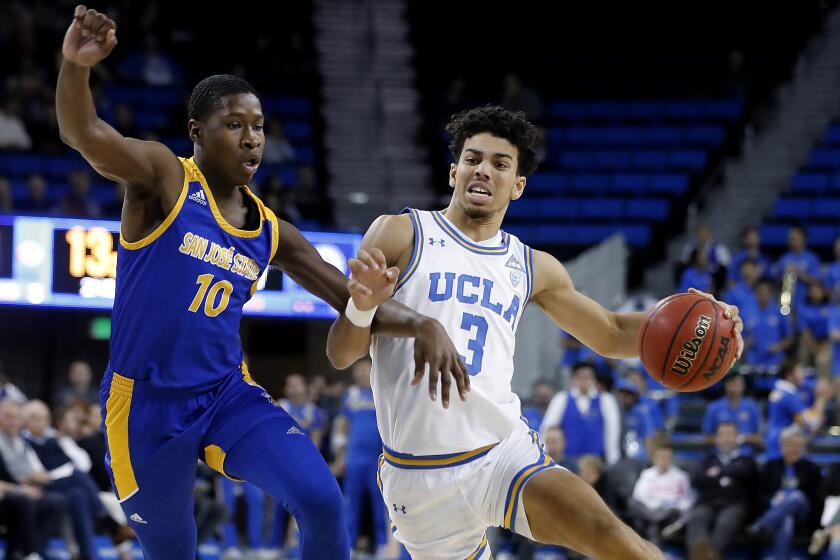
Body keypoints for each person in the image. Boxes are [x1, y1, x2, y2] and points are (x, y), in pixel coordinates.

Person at [57, 8, 466, 559]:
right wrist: (75, 67)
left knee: (322, 501)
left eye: (259, 126)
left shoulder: (271, 231)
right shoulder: (164, 179)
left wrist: (422, 324)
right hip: (145, 407)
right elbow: (82, 132)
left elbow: (351, 300)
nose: (252, 139)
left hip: (227, 395)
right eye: (234, 125)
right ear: (197, 133)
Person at [325, 105, 744, 559]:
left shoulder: (531, 266)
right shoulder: (401, 233)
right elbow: (341, 354)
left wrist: (701, 329)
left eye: (500, 164)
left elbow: (609, 331)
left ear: (518, 185)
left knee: (616, 540)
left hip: (502, 454)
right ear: (453, 172)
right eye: (473, 158)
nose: (483, 170)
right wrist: (363, 307)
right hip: (419, 479)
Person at [335, 357, 388, 556]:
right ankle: (349, 545)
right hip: (353, 457)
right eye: (358, 371)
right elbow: (343, 426)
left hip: (377, 457)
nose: (361, 374)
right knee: (351, 503)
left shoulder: (380, 392)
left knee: (379, 502)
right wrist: (340, 457)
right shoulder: (350, 395)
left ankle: (383, 544)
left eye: (365, 370)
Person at [747, 426, 822, 560]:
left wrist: (789, 500)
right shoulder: (770, 466)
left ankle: (762, 525)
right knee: (786, 521)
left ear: (803, 448)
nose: (794, 449)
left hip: (803, 513)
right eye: (790, 445)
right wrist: (773, 500)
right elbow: (759, 495)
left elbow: (816, 500)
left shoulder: (812, 469)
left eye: (797, 445)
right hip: (777, 512)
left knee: (797, 496)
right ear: (781, 447)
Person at [684, 422, 756, 559]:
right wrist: (729, 476)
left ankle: (709, 557)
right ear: (716, 438)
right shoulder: (707, 459)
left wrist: (717, 472)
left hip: (734, 504)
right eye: (723, 435)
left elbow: (746, 474)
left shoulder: (747, 460)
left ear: (738, 437)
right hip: (707, 502)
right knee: (697, 517)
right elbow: (697, 479)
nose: (726, 439)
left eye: (730, 435)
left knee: (726, 521)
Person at [540, 363, 622, 466]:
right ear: (573, 379)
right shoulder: (562, 399)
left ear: (594, 380)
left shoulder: (606, 400)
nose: (584, 381)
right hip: (568, 461)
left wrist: (612, 459)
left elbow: (611, 431)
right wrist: (544, 456)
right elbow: (547, 428)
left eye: (588, 377)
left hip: (596, 462)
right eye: (581, 377)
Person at [627, 445, 693, 548]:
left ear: (672, 459)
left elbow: (687, 499)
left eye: (667, 457)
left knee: (653, 527)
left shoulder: (681, 476)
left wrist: (678, 507)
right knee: (632, 502)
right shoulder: (647, 474)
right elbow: (638, 495)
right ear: (654, 459)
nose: (664, 460)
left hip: (671, 512)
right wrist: (654, 506)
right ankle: (658, 519)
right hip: (651, 510)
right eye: (660, 457)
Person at [765, 360, 831, 460]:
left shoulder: (779, 390)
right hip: (784, 446)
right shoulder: (789, 396)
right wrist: (821, 398)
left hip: (775, 441)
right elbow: (811, 423)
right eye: (799, 371)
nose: (803, 375)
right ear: (790, 374)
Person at [700, 372, 762, 454]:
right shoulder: (713, 407)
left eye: (737, 385)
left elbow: (759, 438)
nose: (734, 389)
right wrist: (724, 440)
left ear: (743, 386)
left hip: (745, 456)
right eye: (731, 385)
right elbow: (707, 438)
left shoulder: (752, 407)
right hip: (719, 455)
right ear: (725, 386)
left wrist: (741, 438)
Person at [743, 279, 794, 371]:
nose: (763, 296)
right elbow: (740, 337)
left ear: (770, 294)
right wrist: (746, 342)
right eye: (760, 293)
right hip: (752, 360)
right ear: (755, 294)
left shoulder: (779, 312)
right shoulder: (746, 313)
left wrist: (778, 346)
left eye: (765, 293)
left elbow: (789, 338)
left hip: (774, 361)